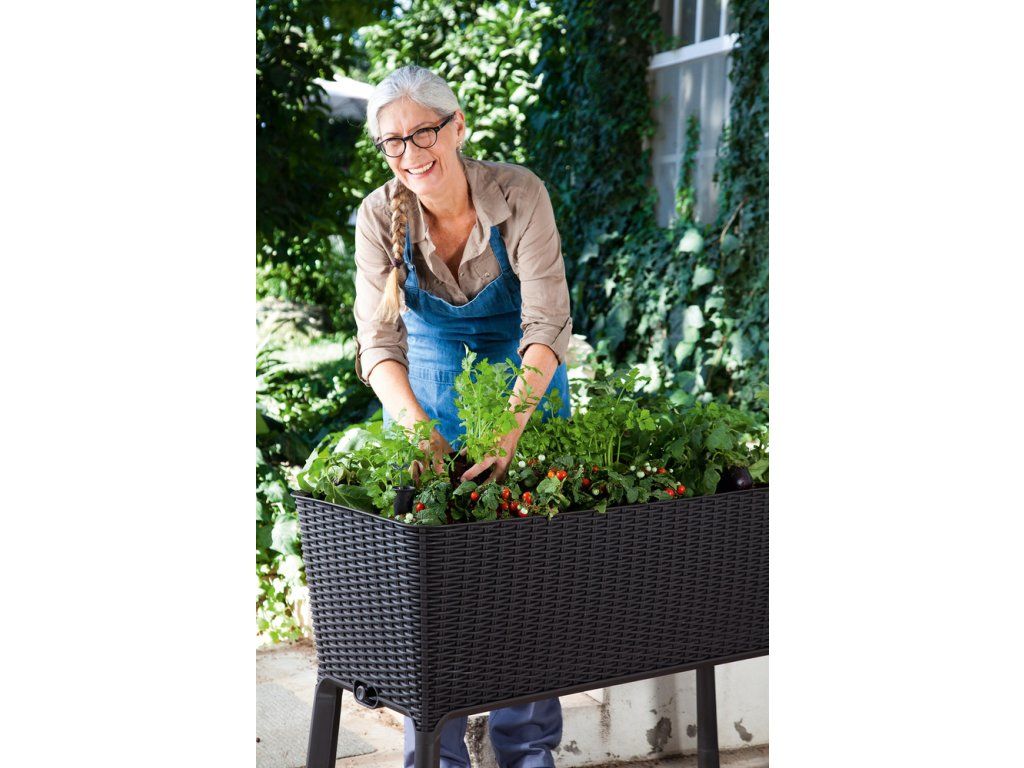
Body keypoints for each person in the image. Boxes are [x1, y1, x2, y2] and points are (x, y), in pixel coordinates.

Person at [353, 64, 570, 768]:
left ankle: (527, 754)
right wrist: (420, 432)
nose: (410, 153)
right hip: (426, 391)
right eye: (392, 142)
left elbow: (548, 323)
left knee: (526, 585)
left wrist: (509, 428)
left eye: (423, 133)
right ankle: (437, 758)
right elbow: (378, 344)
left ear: (457, 127)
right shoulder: (378, 216)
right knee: (431, 596)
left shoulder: (519, 194)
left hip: (523, 389)